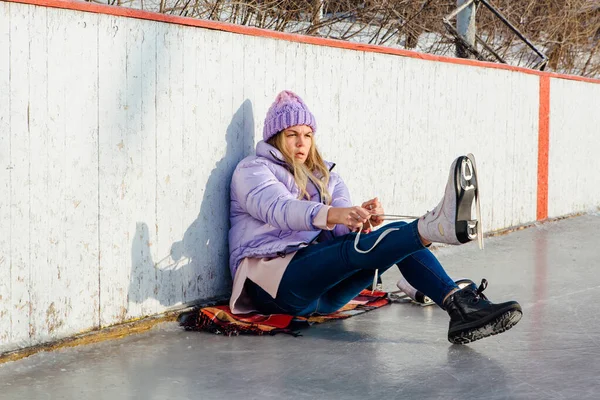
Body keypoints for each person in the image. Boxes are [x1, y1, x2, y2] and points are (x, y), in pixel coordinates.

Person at [228, 90, 522, 344]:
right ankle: (432, 228)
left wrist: (360, 220)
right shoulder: (253, 170)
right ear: (276, 137)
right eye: (292, 135)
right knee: (387, 240)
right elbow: (280, 209)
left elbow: (343, 237)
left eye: (307, 135)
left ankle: (461, 308)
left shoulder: (326, 177)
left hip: (323, 298)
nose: (301, 143)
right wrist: (334, 214)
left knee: (389, 238)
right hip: (274, 285)